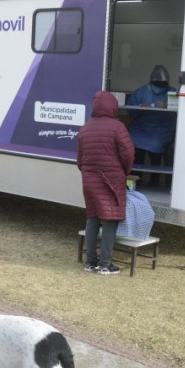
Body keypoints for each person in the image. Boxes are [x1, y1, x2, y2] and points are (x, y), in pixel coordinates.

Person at [77, 90, 135, 276]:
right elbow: (128, 153)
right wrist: (124, 172)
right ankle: (105, 264)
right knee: (110, 220)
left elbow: (80, 159)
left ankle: (90, 262)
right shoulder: (117, 127)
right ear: (112, 106)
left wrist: (88, 173)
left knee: (92, 219)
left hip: (89, 178)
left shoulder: (86, 127)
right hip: (111, 178)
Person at [125, 64, 176, 186]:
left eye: (163, 85)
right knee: (137, 157)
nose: (160, 87)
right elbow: (131, 112)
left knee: (155, 155)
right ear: (152, 81)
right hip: (140, 130)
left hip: (162, 131)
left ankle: (154, 182)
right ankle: (135, 183)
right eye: (158, 84)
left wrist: (168, 105)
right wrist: (141, 108)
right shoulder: (140, 92)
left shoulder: (172, 93)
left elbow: (181, 109)